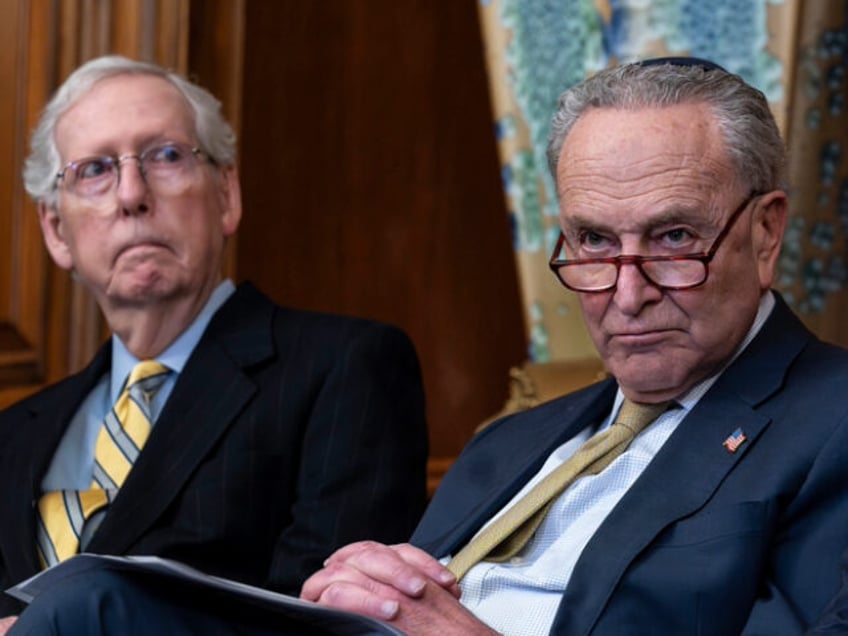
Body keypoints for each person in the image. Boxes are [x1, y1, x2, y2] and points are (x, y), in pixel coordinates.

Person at [7, 57, 848, 635]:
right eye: (592, 244)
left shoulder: (828, 421)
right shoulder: (512, 444)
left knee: (90, 602)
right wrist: (344, 591)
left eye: (671, 239)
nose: (625, 293)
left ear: (766, 232)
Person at [0, 55, 428, 631]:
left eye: (166, 156)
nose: (131, 194)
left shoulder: (346, 367)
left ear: (226, 193)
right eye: (95, 170)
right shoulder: (12, 434)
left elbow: (328, 623)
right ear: (56, 231)